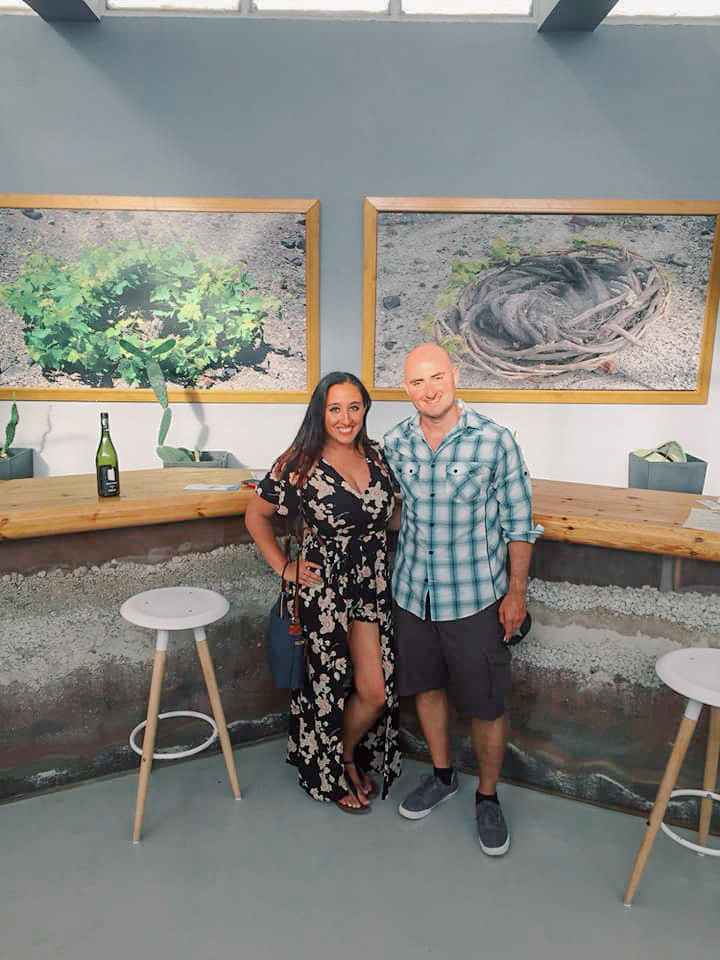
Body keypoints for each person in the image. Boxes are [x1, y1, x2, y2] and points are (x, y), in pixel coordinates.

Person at [383, 344, 542, 854]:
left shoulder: (495, 442)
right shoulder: (394, 442)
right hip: (412, 593)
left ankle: (488, 798)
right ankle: (443, 776)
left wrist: (516, 593)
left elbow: (519, 525)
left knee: (486, 705)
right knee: (427, 691)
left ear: (456, 374)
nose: (428, 390)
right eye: (416, 382)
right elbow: (385, 508)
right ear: (405, 388)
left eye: (436, 378)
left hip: (475, 597)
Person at [246, 372, 402, 813]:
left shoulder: (377, 457)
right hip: (324, 592)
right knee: (326, 686)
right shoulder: (300, 462)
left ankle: (345, 754)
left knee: (375, 691)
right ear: (321, 412)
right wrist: (285, 567)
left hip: (370, 586)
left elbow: (391, 515)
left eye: (354, 407)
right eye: (335, 408)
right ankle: (328, 772)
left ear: (365, 410)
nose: (345, 417)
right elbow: (255, 516)